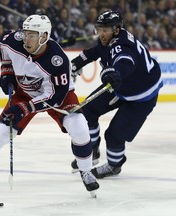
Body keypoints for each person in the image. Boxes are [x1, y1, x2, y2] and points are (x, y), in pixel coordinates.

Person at [0, 14, 99, 195]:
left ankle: (86, 171)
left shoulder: (58, 60)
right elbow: (3, 46)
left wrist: (25, 108)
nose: (26, 39)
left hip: (59, 96)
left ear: (44, 36)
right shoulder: (13, 41)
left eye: (32, 35)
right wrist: (6, 71)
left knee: (79, 127)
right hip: (23, 93)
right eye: (25, 33)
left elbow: (54, 97)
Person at [70, 10, 163, 178]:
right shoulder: (109, 39)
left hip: (141, 97)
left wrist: (114, 73)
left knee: (114, 135)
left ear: (117, 29)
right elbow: (97, 51)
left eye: (106, 29)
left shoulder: (122, 45)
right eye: (100, 29)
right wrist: (77, 62)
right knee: (88, 110)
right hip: (122, 86)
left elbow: (124, 61)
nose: (101, 33)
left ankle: (114, 166)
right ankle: (92, 150)